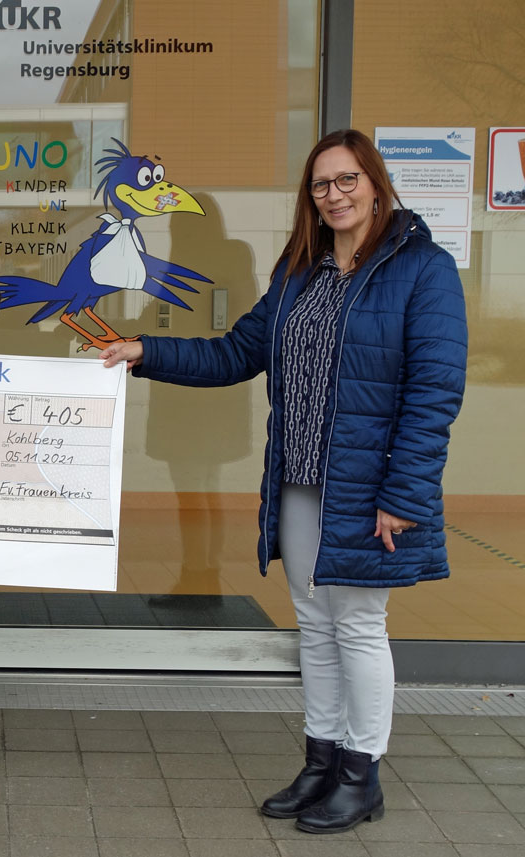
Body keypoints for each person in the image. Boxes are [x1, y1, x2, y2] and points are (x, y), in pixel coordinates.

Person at [103, 129, 467, 833]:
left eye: (347, 179)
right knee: (315, 625)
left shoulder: (423, 269)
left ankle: (361, 774)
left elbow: (435, 392)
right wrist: (144, 350)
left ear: (375, 182)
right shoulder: (301, 271)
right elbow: (237, 352)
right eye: (321, 184)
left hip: (366, 487)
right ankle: (321, 760)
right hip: (299, 480)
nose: (334, 194)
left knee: (358, 626)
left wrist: (403, 493)